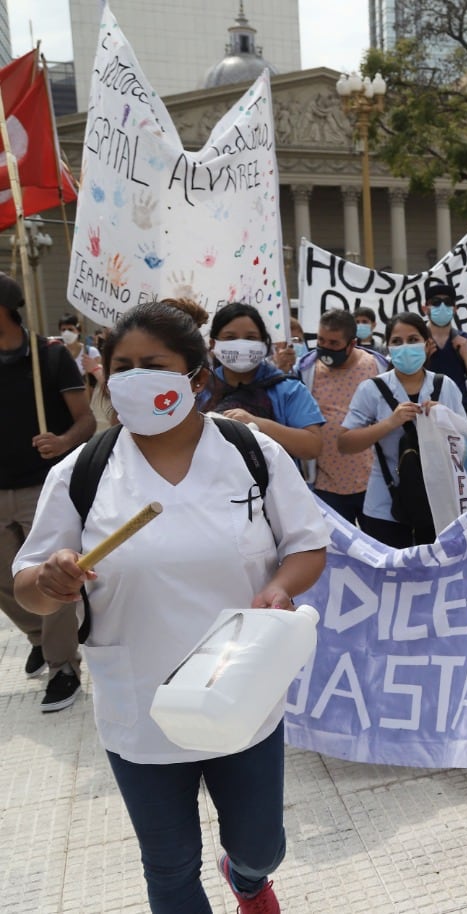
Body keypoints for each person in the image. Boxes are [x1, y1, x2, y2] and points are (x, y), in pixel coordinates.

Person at [13, 298, 329, 913]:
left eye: (151, 365)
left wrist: (282, 587)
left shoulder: (250, 453)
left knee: (261, 845)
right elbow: (27, 579)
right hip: (140, 706)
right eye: (120, 366)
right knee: (168, 869)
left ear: (196, 376)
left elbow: (307, 547)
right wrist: (48, 584)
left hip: (241, 692)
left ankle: (249, 879)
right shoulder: (86, 471)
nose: (132, 378)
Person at [0, 275, 95, 709]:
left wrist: (61, 442)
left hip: (43, 485)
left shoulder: (50, 357)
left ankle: (63, 667)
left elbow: (86, 421)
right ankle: (38, 636)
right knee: (9, 584)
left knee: (50, 577)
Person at [338, 311, 467, 548]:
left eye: (413, 339)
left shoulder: (444, 385)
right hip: (385, 505)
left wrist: (446, 419)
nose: (405, 347)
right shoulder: (372, 389)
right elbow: (345, 443)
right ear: (388, 347)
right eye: (397, 342)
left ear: (428, 345)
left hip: (438, 503)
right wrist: (389, 423)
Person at [198, 303, 324, 461]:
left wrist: (256, 423)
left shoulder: (288, 389)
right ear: (213, 344)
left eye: (250, 338)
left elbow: (312, 446)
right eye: (230, 337)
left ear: (264, 343)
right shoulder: (199, 387)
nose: (241, 345)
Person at [296, 309, 389, 524]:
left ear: (351, 343)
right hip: (324, 485)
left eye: (334, 343)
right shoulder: (304, 370)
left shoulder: (377, 366)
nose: (326, 348)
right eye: (321, 340)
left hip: (373, 483)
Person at [422, 284, 467, 420]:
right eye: (435, 302)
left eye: (448, 303)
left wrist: (466, 356)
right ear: (425, 308)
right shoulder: (416, 340)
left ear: (455, 309)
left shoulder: (466, 340)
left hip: (458, 413)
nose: (442, 307)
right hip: (424, 413)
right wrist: (423, 357)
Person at [58, 312, 102, 382]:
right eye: (63, 330)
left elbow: (100, 378)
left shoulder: (91, 352)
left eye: (70, 329)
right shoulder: (58, 353)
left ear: (78, 331)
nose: (66, 333)